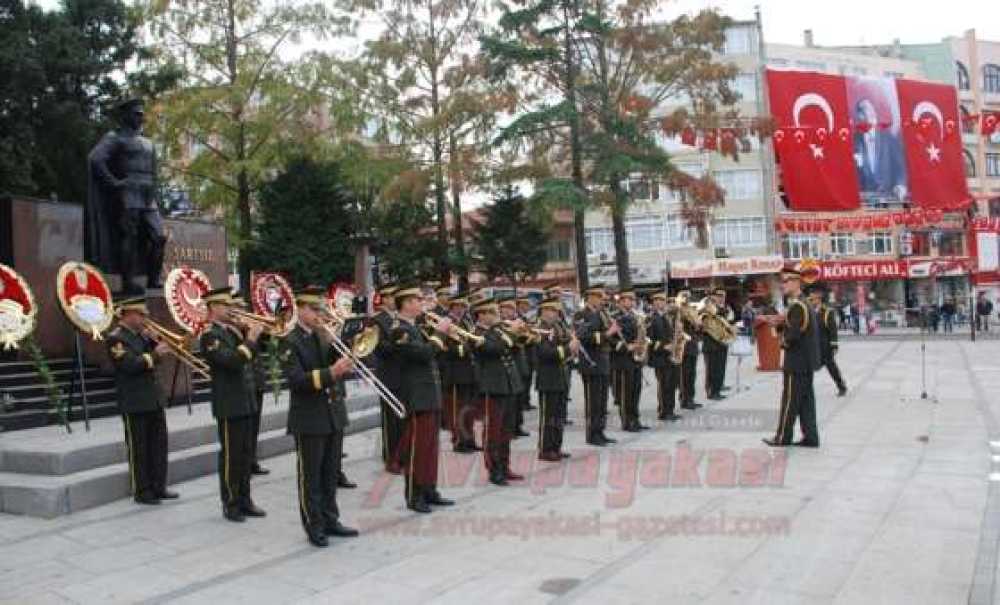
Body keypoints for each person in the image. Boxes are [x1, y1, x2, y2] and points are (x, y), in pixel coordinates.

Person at [282, 287, 359, 547]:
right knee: (311, 475)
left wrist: (341, 347)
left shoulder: (321, 336)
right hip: (309, 417)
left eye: (321, 310)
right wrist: (331, 373)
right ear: (300, 308)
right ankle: (313, 524)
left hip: (332, 414)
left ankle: (330, 519)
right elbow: (296, 381)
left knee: (329, 473)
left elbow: (339, 363)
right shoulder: (290, 341)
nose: (319, 315)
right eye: (315, 310)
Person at [87, 97, 166, 295]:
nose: (141, 117)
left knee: (159, 236)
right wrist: (114, 182)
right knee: (128, 238)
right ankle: (128, 281)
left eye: (142, 113)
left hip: (148, 195)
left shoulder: (149, 143)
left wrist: (156, 196)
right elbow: (95, 159)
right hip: (128, 194)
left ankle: (153, 279)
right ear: (126, 116)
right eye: (136, 113)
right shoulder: (115, 137)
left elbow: (155, 173)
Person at [199, 288, 266, 522]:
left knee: (246, 453)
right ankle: (231, 503)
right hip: (229, 403)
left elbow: (253, 354)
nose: (231, 309)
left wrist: (256, 334)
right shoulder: (210, 336)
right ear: (213, 308)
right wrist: (250, 339)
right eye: (226, 306)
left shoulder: (233, 331)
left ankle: (246, 499)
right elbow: (233, 361)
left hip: (245, 400)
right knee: (231, 455)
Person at [106, 297, 179, 505]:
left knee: (158, 444)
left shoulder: (141, 336)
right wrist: (154, 354)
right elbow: (129, 365)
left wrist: (155, 341)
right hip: (134, 402)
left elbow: (157, 359)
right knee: (139, 447)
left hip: (153, 399)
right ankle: (142, 490)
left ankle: (159, 485)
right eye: (141, 314)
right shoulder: (116, 338)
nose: (145, 318)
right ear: (128, 314)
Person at [392, 284, 456, 513]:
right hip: (417, 396)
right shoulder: (400, 331)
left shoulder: (416, 328)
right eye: (418, 300)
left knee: (430, 447)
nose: (422, 304)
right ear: (407, 303)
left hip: (430, 394)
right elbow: (424, 354)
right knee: (417, 448)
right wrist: (440, 332)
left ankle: (430, 489)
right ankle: (414, 494)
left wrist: (441, 335)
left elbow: (435, 353)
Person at [763, 269, 821, 448]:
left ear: (797, 282)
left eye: (787, 281)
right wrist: (782, 323)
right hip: (805, 362)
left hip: (796, 362)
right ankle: (811, 437)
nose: (783, 284)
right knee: (805, 402)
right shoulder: (803, 303)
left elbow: (793, 336)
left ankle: (782, 437)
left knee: (789, 401)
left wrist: (778, 330)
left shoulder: (797, 306)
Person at [473, 298, 525, 485]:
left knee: (506, 431)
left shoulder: (497, 330)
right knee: (493, 432)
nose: (498, 315)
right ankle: (494, 469)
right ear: (482, 315)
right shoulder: (477, 333)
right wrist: (512, 333)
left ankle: (505, 465)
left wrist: (518, 333)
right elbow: (494, 349)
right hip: (493, 386)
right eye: (494, 312)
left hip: (508, 384)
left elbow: (516, 347)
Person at [574, 286, 619, 446]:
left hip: (603, 361)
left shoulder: (601, 313)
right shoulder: (582, 314)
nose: (603, 300)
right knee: (593, 401)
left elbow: (608, 336)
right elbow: (582, 336)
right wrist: (607, 333)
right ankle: (592, 435)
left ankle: (600, 432)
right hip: (590, 363)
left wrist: (615, 335)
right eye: (599, 297)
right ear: (590, 297)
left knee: (602, 401)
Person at [535, 297, 575, 461]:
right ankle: (545, 449)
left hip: (560, 376)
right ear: (544, 312)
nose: (556, 314)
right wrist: (567, 348)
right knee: (548, 416)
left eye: (557, 311)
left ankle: (556, 446)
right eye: (552, 311)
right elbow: (545, 353)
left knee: (558, 415)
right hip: (548, 378)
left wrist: (572, 345)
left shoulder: (557, 327)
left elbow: (564, 343)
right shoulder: (540, 329)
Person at [442, 294, 480, 453]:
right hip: (455, 372)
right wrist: (465, 348)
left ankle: (469, 439)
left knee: (469, 408)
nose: (462, 309)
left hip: (469, 371)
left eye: (464, 306)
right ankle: (459, 440)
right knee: (457, 409)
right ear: (452, 307)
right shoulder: (445, 322)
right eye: (458, 306)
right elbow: (444, 348)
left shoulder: (465, 322)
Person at [372, 283, 404, 474]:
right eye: (393, 297)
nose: (395, 301)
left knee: (403, 418)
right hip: (388, 375)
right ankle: (391, 457)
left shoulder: (399, 318)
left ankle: (402, 454)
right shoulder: (377, 320)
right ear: (384, 298)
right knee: (390, 420)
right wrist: (399, 343)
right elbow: (380, 348)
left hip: (403, 373)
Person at [852, 98, 908, 200]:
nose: (871, 112)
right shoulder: (853, 142)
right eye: (865, 109)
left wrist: (900, 184)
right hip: (864, 200)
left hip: (890, 197)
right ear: (859, 116)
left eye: (871, 108)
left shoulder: (888, 138)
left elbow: (900, 166)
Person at [609, 290, 645, 431]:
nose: (632, 302)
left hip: (635, 359)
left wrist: (641, 344)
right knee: (625, 392)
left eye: (632, 300)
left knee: (636, 390)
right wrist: (626, 347)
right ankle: (626, 421)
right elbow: (610, 339)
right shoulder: (614, 317)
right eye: (629, 300)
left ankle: (635, 419)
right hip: (622, 360)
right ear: (621, 302)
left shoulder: (635, 316)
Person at [499, 298, 531, 438]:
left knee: (519, 399)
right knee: (510, 402)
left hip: (520, 363)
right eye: (507, 309)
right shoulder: (501, 326)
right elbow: (509, 344)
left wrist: (524, 332)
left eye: (512, 309)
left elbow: (525, 341)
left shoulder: (516, 323)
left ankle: (518, 425)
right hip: (510, 365)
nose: (510, 312)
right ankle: (510, 429)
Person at [647, 293, 681, 422]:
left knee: (671, 384)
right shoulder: (651, 318)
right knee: (664, 385)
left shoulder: (666, 317)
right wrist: (664, 346)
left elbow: (670, 334)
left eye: (662, 300)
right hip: (659, 357)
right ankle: (663, 411)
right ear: (653, 303)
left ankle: (670, 410)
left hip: (670, 356)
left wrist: (677, 333)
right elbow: (649, 340)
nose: (660, 303)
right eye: (657, 300)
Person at [808, 286, 847, 397]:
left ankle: (841, 386)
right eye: (810, 299)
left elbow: (833, 329)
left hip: (825, 347)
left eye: (813, 299)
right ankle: (805, 390)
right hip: (813, 346)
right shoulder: (810, 311)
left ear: (819, 298)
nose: (811, 301)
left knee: (832, 368)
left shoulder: (827, 312)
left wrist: (834, 345)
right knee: (808, 368)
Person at [677, 291, 702, 411]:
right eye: (684, 297)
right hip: (684, 346)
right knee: (684, 374)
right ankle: (684, 399)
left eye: (688, 298)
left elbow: (698, 325)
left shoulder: (692, 310)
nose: (687, 300)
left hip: (693, 344)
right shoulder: (679, 311)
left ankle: (691, 398)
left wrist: (697, 325)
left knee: (692, 374)